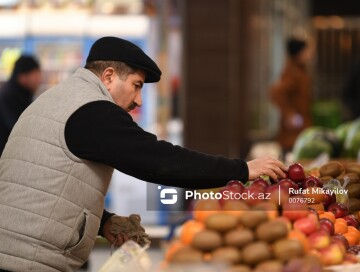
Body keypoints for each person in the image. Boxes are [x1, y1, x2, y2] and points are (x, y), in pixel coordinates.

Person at [0, 37, 287, 272]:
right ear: (109, 77)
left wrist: (103, 220)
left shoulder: (58, 99)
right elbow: (160, 161)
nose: (138, 100)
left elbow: (44, 183)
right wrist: (241, 170)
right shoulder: (93, 110)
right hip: (29, 260)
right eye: (136, 85)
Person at [270, 37, 313, 155]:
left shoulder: (300, 70)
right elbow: (276, 92)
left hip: (302, 125)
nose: (310, 54)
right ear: (299, 53)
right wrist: (290, 114)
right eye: (307, 51)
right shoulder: (292, 72)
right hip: (294, 131)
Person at [0, 55, 41, 155]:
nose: (39, 80)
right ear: (22, 76)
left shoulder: (23, 93)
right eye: (36, 75)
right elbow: (17, 128)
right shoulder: (9, 96)